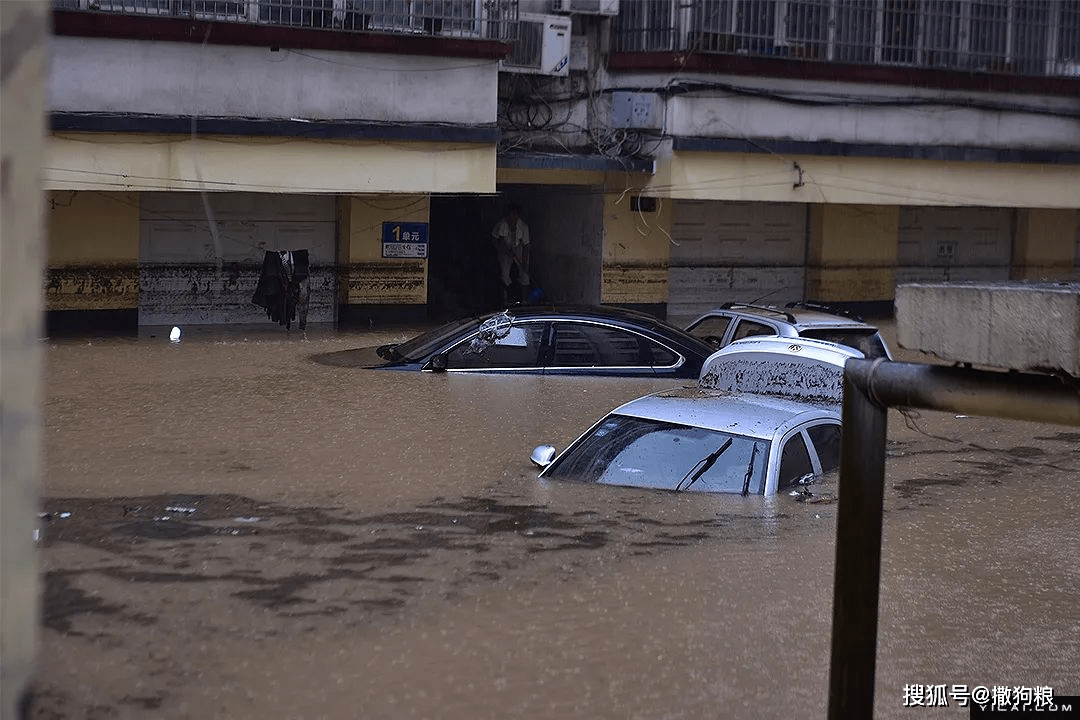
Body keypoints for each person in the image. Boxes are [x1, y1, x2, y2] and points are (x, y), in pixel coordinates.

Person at [490, 204, 530, 305]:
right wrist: (504, 251)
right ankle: (506, 301)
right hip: (504, 248)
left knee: (525, 274)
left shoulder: (524, 227)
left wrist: (524, 262)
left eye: (515, 216)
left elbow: (526, 246)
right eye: (510, 216)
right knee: (504, 274)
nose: (512, 218)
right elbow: (495, 240)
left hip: (519, 247)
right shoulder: (501, 224)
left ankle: (524, 301)